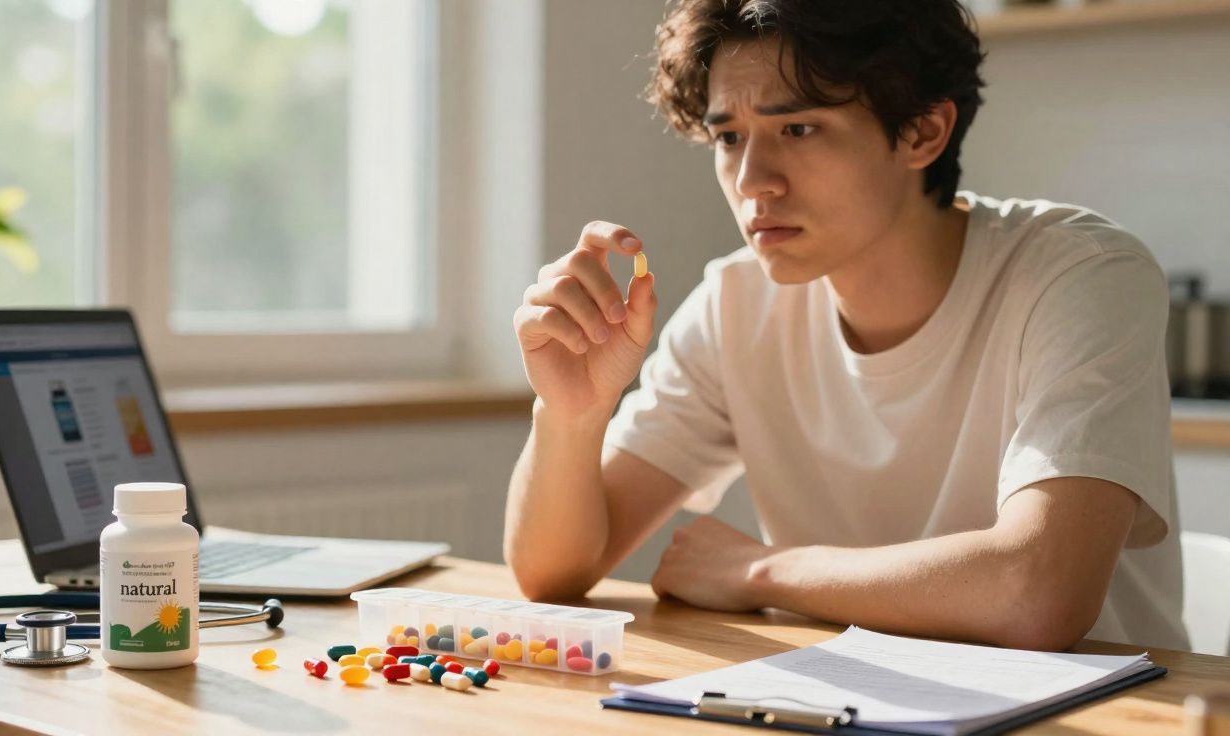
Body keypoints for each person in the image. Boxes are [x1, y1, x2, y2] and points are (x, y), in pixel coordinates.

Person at [505, 0, 1187, 651]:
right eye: (729, 137)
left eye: (797, 129)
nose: (751, 181)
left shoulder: (1080, 274)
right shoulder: (736, 304)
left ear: (922, 130)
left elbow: (1038, 592)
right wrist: (571, 415)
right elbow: (552, 572)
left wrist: (762, 573)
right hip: (846, 701)